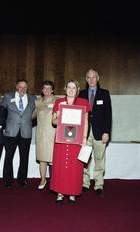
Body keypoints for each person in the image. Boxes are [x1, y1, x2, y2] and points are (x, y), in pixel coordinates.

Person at [50, 80, 90, 205]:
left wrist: (84, 138)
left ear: (77, 90)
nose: (71, 90)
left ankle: (72, 194)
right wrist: (60, 116)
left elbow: (86, 121)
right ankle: (60, 193)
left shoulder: (83, 102)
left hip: (76, 140)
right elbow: (54, 122)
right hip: (61, 139)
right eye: (69, 87)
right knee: (61, 166)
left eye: (74, 88)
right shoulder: (59, 102)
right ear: (65, 88)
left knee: (75, 167)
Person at [79, 68, 112, 196]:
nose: (91, 79)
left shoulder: (105, 93)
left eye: (94, 77)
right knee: (84, 159)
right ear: (86, 79)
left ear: (97, 78)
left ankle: (99, 185)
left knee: (100, 159)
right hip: (84, 133)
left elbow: (108, 115)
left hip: (100, 133)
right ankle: (84, 183)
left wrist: (107, 132)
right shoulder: (81, 93)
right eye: (89, 77)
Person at [1, 79, 36, 189]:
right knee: (8, 157)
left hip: (26, 132)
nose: (22, 89)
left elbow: (35, 115)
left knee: (24, 157)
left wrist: (29, 123)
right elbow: (2, 112)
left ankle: (22, 179)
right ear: (16, 87)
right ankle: (8, 181)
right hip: (10, 132)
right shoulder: (7, 96)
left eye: (25, 87)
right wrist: (3, 126)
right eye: (20, 87)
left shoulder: (33, 98)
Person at [32, 80, 56, 189]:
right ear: (42, 90)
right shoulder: (37, 102)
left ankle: (55, 181)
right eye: (44, 88)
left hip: (53, 134)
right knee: (42, 159)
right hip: (41, 134)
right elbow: (32, 116)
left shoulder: (58, 101)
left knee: (53, 160)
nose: (46, 90)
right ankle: (43, 179)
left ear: (52, 90)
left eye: (49, 88)